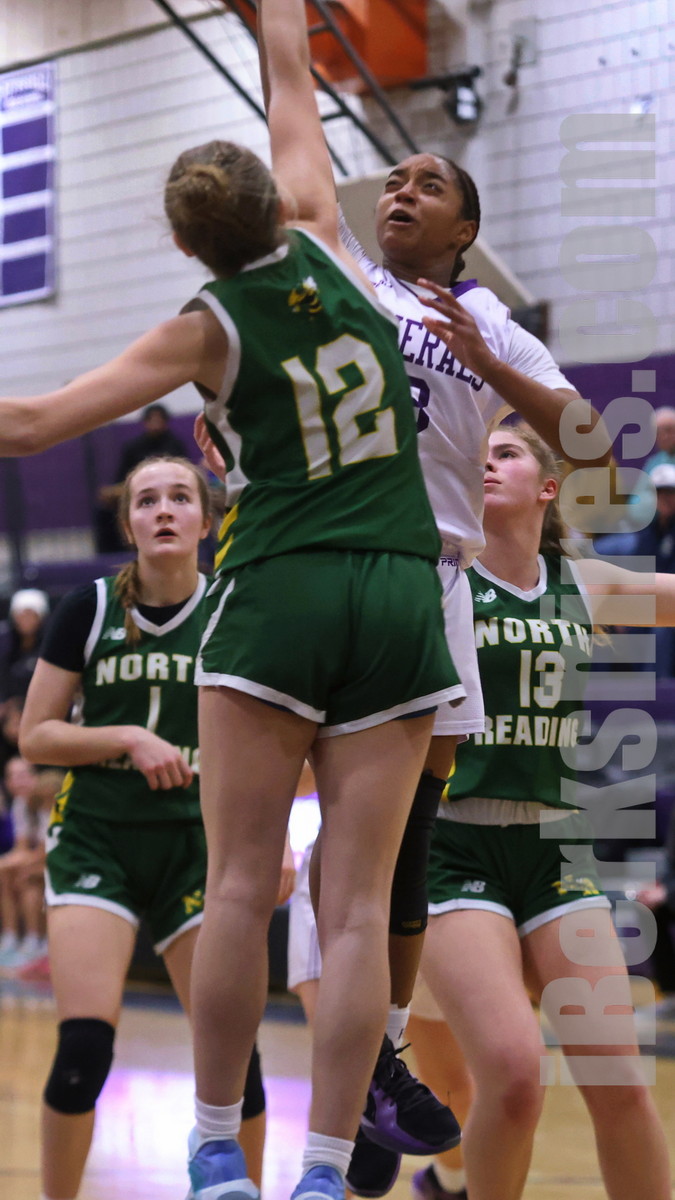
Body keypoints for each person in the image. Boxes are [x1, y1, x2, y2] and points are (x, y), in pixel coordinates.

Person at [0, 3, 461, 1199]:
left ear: (185, 243)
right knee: (355, 911)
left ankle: (214, 1148)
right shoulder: (326, 233)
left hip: (281, 589)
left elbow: (31, 425)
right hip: (402, 591)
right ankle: (324, 1167)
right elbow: (291, 75)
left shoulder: (203, 330)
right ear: (272, 198)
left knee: (244, 885)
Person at [411, 424, 672, 1200]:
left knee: (619, 1081)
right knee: (514, 1073)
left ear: (547, 486)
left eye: (507, 454)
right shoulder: (436, 578)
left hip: (557, 849)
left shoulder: (584, 583)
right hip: (452, 846)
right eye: (477, 456)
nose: (486, 464)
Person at [18, 458, 270, 1200]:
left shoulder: (234, 608)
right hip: (97, 837)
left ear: (206, 520)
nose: (163, 510)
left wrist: (277, 837)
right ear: (127, 524)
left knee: (238, 1061)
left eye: (180, 497)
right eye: (147, 500)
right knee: (83, 1052)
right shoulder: (88, 608)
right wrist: (128, 736)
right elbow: (36, 735)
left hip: (200, 847)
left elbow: (273, 742)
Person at [95, 404, 189, 552]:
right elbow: (122, 478)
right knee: (103, 511)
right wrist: (113, 492)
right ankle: (116, 552)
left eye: (159, 420)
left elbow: (184, 476)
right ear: (145, 422)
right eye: (152, 420)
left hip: (168, 493)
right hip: (138, 493)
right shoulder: (133, 447)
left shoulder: (175, 445)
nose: (155, 424)